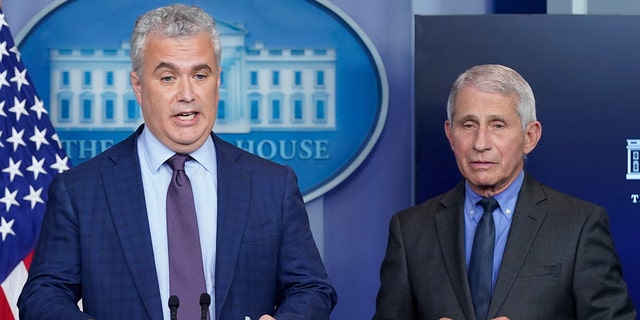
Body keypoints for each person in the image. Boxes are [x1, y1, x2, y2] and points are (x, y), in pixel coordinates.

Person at [18, 4, 336, 320]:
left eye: (200, 75)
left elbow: (311, 289)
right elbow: (43, 294)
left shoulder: (272, 184)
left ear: (218, 80)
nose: (187, 93)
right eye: (168, 77)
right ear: (138, 86)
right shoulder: (79, 190)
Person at [373, 64, 636, 319]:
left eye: (497, 125)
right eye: (468, 125)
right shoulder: (409, 230)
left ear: (530, 137)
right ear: (450, 135)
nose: (481, 143)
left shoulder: (579, 226)